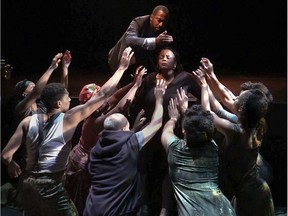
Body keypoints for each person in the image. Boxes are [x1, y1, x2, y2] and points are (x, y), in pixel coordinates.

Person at [1, 47, 134, 216]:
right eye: (67, 98)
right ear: (58, 104)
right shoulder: (67, 120)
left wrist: (11, 164)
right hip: (50, 184)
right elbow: (102, 95)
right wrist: (122, 68)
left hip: (26, 183)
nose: (69, 100)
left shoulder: (28, 121)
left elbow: (5, 155)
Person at [65, 65, 147, 215]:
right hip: (83, 163)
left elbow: (115, 97)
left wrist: (133, 82)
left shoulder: (96, 110)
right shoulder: (93, 121)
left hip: (87, 155)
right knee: (82, 199)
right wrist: (136, 86)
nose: (105, 99)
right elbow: (120, 107)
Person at [129, 46, 201, 216]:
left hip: (172, 131)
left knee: (169, 168)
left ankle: (166, 208)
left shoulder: (185, 78)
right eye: (161, 56)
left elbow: (201, 95)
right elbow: (138, 100)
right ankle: (144, 204)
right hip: (150, 131)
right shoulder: (151, 79)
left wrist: (189, 113)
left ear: (175, 63)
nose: (163, 59)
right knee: (146, 168)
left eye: (167, 57)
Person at [193, 69, 275, 215]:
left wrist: (205, 86)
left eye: (237, 98)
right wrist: (210, 78)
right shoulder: (259, 124)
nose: (234, 98)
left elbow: (208, 113)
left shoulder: (235, 131)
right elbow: (220, 107)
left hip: (249, 194)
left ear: (242, 108)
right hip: (256, 188)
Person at [0, 50, 72, 213]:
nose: (39, 85)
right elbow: (38, 91)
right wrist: (52, 67)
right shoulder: (21, 109)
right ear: (25, 93)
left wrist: (65, 68)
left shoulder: (41, 108)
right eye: (32, 86)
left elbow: (61, 95)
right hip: (31, 166)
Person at [83, 79, 167, 216]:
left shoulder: (95, 149)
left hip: (93, 208)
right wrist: (159, 99)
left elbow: (119, 142)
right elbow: (156, 123)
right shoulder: (132, 142)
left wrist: (133, 129)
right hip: (118, 210)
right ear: (123, 129)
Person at [161, 97, 236, 216]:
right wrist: (186, 112)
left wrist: (174, 118)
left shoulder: (174, 149)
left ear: (184, 131)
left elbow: (167, 131)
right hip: (224, 211)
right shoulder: (213, 147)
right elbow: (200, 129)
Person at [108, 5, 173, 86]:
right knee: (122, 90)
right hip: (120, 60)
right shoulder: (138, 22)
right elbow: (129, 40)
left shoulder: (162, 30)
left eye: (164, 22)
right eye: (159, 20)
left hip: (139, 61)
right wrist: (155, 41)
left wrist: (167, 44)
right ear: (151, 17)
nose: (161, 24)